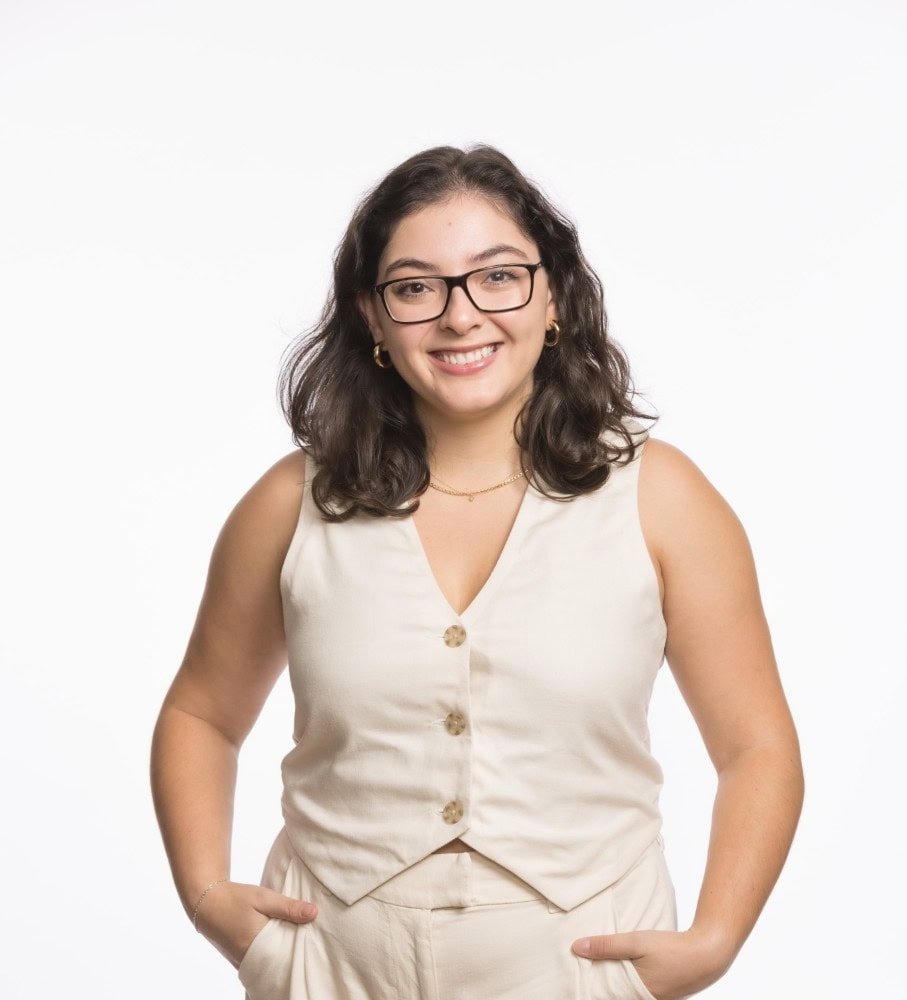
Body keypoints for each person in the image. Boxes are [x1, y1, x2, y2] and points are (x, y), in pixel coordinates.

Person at [151, 144, 803, 1000]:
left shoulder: (663, 498)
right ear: (373, 316)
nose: (461, 317)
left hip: (581, 972)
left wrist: (716, 940)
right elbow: (201, 714)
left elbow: (756, 747)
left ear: (553, 295)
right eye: (416, 287)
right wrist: (208, 897)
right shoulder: (289, 504)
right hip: (331, 968)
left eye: (498, 277)